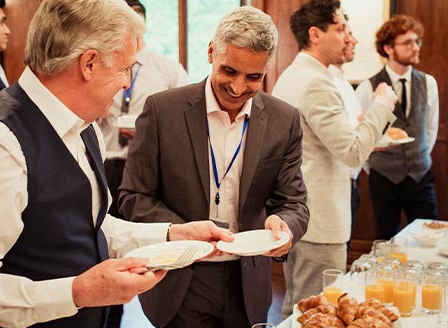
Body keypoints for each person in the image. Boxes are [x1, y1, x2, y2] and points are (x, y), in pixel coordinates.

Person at [0, 1, 232, 327]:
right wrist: (77, 292)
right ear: (89, 63)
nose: (126, 84)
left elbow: (90, 227)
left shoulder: (84, 128)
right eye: (125, 68)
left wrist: (173, 235)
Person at [118, 6, 309, 327]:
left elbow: (293, 202)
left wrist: (285, 225)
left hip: (247, 281)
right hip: (181, 277)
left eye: (253, 77)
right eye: (229, 71)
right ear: (210, 52)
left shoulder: (284, 120)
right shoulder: (163, 111)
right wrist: (182, 234)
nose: (237, 88)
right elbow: (133, 196)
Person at [271, 0, 397, 316]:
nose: (348, 37)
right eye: (340, 29)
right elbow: (353, 152)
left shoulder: (294, 75)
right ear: (315, 34)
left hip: (299, 212)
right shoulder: (315, 82)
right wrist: (382, 104)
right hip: (319, 217)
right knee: (318, 312)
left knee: (297, 307)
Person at [99, 0, 188, 220]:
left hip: (149, 169)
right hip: (107, 164)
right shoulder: (101, 67)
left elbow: (185, 120)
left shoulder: (169, 70)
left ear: (141, 25)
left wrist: (150, 133)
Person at [355, 15, 439, 240]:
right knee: (385, 240)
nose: (415, 47)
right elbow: (358, 131)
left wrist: (418, 157)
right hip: (384, 178)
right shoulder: (367, 86)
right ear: (388, 48)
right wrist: (375, 167)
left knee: (428, 238)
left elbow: (430, 129)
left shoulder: (428, 83)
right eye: (408, 43)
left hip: (421, 176)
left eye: (417, 42)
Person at [328, 15, 364, 231]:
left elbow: (354, 127)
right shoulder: (324, 83)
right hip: (332, 187)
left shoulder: (344, 83)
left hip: (350, 182)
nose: (352, 40)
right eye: (344, 32)